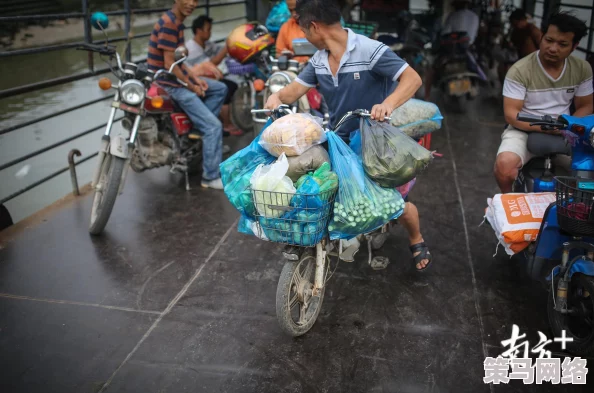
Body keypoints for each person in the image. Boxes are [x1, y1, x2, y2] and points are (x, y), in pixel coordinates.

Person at [265, 0, 433, 271]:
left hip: (376, 140)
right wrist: (276, 96)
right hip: (340, 136)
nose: (304, 37)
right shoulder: (318, 60)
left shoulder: (370, 50)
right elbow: (293, 91)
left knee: (393, 201)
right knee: (320, 184)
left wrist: (388, 104)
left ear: (315, 27)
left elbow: (412, 79)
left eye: (304, 31)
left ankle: (417, 237)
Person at [494, 12, 593, 193]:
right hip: (523, 128)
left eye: (562, 44)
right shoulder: (520, 70)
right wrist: (549, 127)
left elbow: (586, 105)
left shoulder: (582, 69)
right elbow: (511, 114)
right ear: (542, 37)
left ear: (574, 46)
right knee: (504, 167)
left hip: (566, 129)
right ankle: (506, 201)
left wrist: (567, 125)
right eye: (549, 40)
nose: (553, 48)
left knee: (588, 170)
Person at [147, 0, 227, 189]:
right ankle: (210, 176)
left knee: (219, 88)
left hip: (175, 80)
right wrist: (192, 86)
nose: (192, 3)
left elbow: (179, 62)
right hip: (169, 85)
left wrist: (195, 79)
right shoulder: (169, 24)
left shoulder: (177, 22)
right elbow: (169, 64)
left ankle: (196, 130)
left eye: (195, 0)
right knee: (214, 127)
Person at [187, 15, 244, 136]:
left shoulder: (207, 44)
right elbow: (210, 64)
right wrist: (227, 47)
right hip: (196, 80)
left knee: (230, 85)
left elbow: (219, 53)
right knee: (225, 88)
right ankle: (225, 124)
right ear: (198, 31)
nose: (210, 33)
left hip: (208, 78)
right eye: (208, 30)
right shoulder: (191, 48)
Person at [423, 0, 480, 101]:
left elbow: (445, 33)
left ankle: (426, 96)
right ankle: (474, 86)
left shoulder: (453, 16)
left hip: (452, 50)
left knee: (431, 69)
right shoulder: (474, 17)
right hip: (469, 50)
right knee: (477, 66)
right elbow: (474, 35)